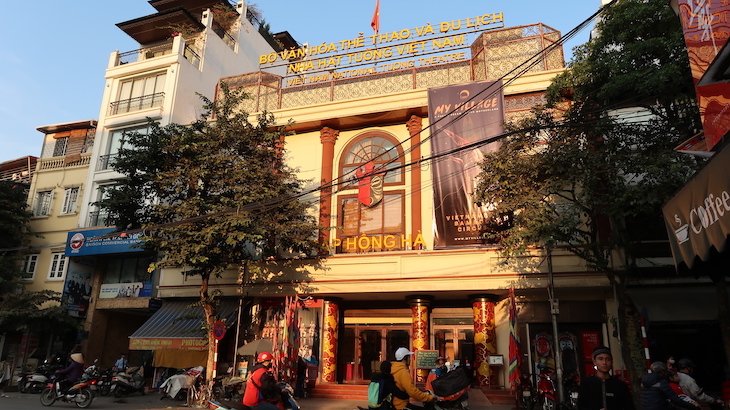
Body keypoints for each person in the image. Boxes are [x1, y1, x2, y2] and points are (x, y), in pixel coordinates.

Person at [577, 346, 634, 410]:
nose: (604, 362)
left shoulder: (620, 386)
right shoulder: (587, 384)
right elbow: (581, 406)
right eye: (600, 359)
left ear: (611, 362)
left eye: (608, 359)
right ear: (594, 362)